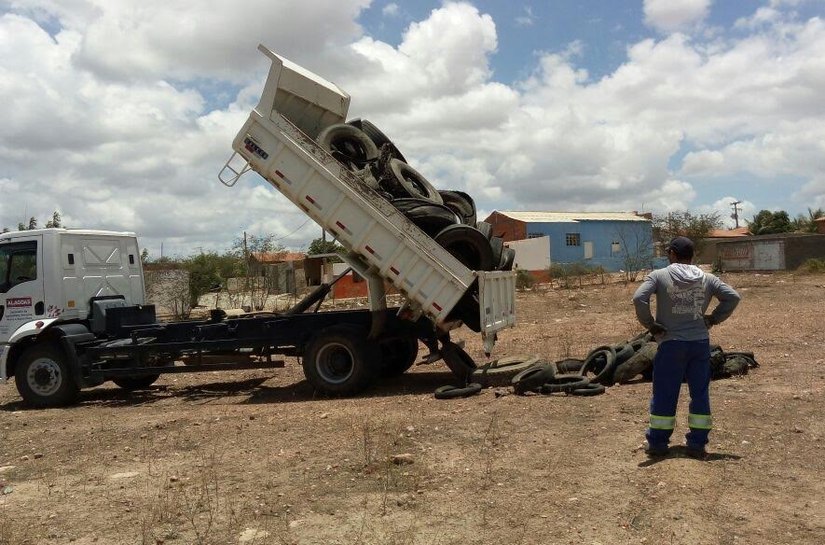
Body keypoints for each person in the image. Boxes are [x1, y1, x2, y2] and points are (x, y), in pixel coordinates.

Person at [632, 236, 741, 459]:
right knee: (699, 394)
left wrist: (650, 325)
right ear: (692, 255)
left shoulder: (659, 275)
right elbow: (733, 297)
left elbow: (639, 298)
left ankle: (658, 444)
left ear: (672, 253)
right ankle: (697, 444)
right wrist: (713, 319)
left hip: (670, 344)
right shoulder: (707, 278)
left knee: (665, 393)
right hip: (699, 344)